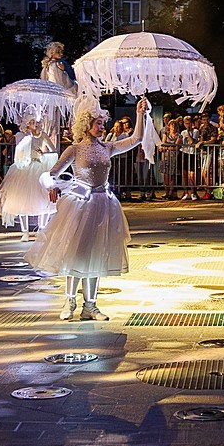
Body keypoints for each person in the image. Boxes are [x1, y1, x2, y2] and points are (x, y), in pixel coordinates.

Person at [30, 95, 152, 321]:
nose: (102, 126)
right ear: (86, 126)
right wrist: (51, 186)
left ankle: (91, 305)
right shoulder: (75, 150)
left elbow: (137, 138)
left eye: (102, 123)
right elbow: (51, 173)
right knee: (76, 252)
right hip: (79, 206)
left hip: (103, 204)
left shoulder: (108, 147)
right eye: (98, 123)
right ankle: (69, 300)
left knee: (97, 254)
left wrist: (140, 113)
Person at [0, 116, 59, 238]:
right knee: (22, 198)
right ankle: (25, 231)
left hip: (40, 167)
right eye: (31, 122)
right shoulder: (23, 137)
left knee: (43, 198)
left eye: (36, 122)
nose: (34, 124)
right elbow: (19, 153)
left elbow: (54, 152)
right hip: (25, 169)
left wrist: (44, 155)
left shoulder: (43, 136)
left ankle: (41, 229)